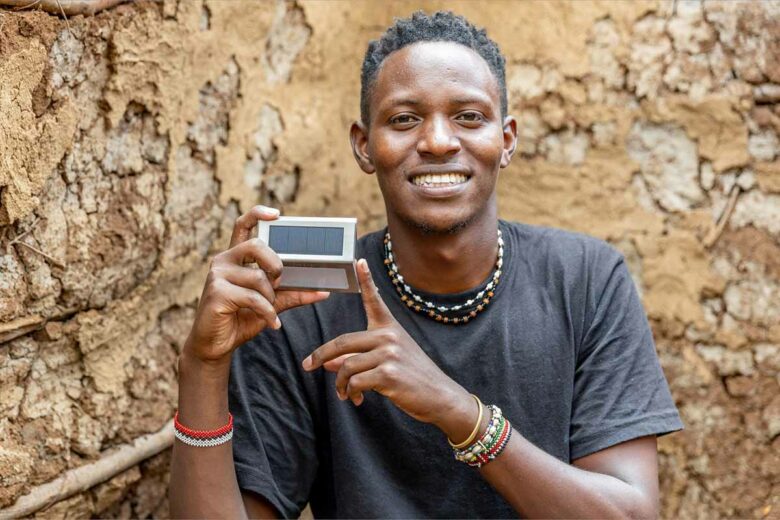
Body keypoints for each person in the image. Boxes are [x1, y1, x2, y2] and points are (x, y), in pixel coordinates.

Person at [170, 11, 683, 519]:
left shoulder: (586, 280)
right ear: (364, 145)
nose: (438, 141)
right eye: (404, 119)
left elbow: (630, 514)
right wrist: (202, 369)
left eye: (469, 117)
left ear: (505, 141)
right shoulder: (304, 302)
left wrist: (457, 411)